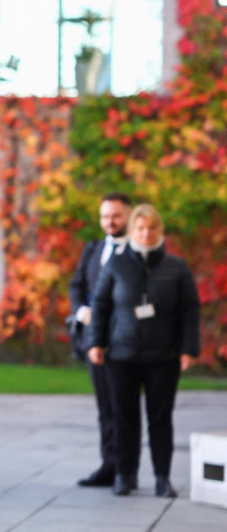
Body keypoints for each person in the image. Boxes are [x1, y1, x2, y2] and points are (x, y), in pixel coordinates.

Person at [88, 204, 200, 498]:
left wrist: (189, 348)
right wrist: (95, 343)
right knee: (124, 418)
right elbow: (100, 305)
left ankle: (162, 478)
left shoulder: (177, 267)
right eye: (140, 228)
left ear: (160, 231)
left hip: (163, 357)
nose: (146, 233)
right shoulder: (116, 264)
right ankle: (125, 475)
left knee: (160, 418)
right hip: (121, 356)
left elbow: (190, 310)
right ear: (132, 230)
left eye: (152, 228)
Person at [68, 192, 131, 487]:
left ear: (128, 216)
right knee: (105, 408)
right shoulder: (92, 250)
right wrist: (82, 312)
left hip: (125, 343)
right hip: (94, 343)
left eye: (116, 216)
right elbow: (76, 287)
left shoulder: (138, 252)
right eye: (106, 216)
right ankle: (109, 465)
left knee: (123, 408)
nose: (110, 221)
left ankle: (124, 471)